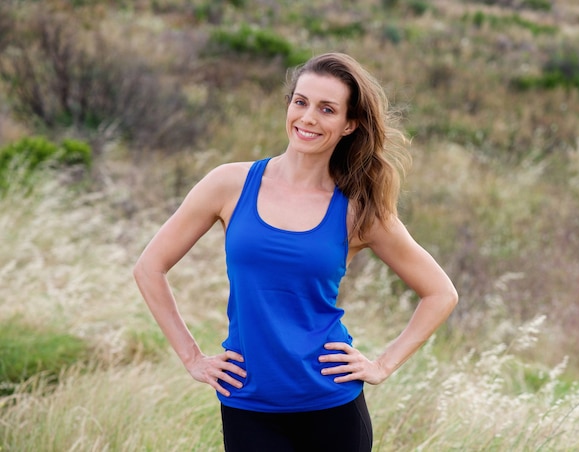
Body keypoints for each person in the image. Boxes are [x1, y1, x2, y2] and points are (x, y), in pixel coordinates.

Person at [133, 52, 458, 452]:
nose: (307, 118)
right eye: (300, 102)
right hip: (247, 403)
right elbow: (150, 267)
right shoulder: (228, 184)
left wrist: (382, 365)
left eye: (327, 109)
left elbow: (440, 293)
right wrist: (192, 357)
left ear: (349, 124)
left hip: (331, 407)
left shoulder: (358, 209)